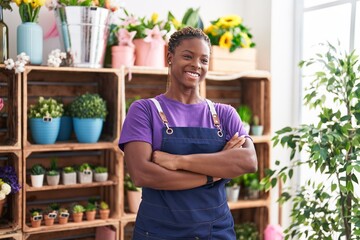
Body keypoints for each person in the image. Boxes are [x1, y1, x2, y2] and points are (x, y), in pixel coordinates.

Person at [119, 26, 258, 239]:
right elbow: (142, 174)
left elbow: (248, 161)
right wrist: (216, 172)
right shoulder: (144, 110)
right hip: (158, 232)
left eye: (204, 60)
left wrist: (177, 161)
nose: (196, 65)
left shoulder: (225, 114)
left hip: (215, 232)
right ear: (170, 58)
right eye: (188, 56)